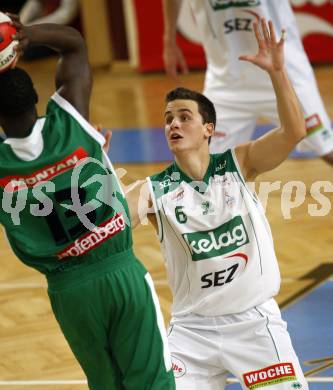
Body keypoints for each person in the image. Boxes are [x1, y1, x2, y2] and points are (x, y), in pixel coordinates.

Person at [126, 18, 309, 389]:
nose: (173, 124)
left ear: (208, 128)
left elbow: (294, 132)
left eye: (184, 116)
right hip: (192, 334)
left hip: (253, 324)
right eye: (167, 119)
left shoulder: (238, 164)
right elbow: (105, 219)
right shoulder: (154, 190)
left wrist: (277, 72)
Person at [0, 14, 175, 390]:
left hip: (70, 290)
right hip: (119, 270)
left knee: (105, 383)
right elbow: (75, 43)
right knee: (153, 381)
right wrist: (24, 34)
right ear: (36, 98)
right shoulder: (71, 120)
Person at [162, 0, 333, 164]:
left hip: (282, 73)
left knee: (327, 149)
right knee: (202, 164)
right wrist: (169, 38)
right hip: (226, 81)